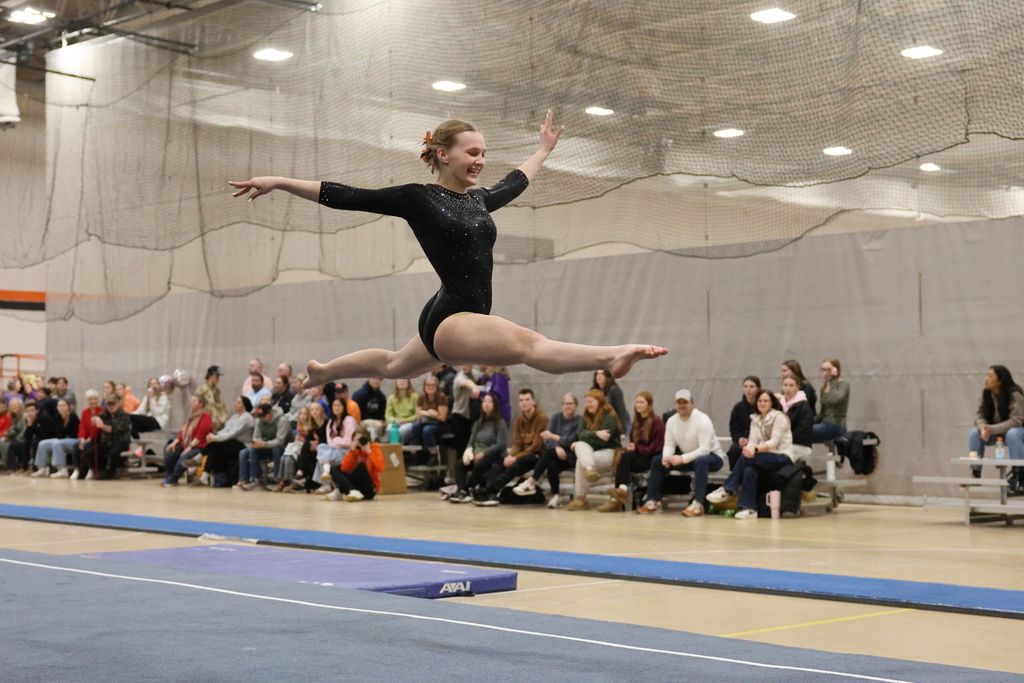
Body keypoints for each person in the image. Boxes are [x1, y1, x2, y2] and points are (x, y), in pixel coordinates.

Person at [230, 113, 666, 389]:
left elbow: (514, 182)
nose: (480, 160)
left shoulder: (477, 200)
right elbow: (346, 195)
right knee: (529, 345)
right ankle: (610, 356)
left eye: (483, 154)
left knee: (396, 365)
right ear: (443, 154)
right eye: (471, 153)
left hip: (448, 310)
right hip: (453, 317)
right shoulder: (417, 197)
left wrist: (542, 150)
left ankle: (324, 371)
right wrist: (280, 181)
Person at [637, 389, 727, 517]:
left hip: (712, 457)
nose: (682, 406)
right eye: (679, 403)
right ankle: (653, 501)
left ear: (692, 404)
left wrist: (682, 458)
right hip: (689, 458)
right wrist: (666, 458)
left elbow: (705, 449)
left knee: (701, 461)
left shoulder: (703, 420)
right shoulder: (672, 421)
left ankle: (698, 503)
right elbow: (669, 444)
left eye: (685, 402)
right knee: (657, 461)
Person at [708, 390, 794, 519]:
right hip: (763, 458)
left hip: (782, 456)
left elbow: (774, 442)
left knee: (746, 459)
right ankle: (749, 508)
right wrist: (749, 449)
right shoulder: (755, 419)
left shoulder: (779, 417)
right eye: (760, 401)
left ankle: (728, 488)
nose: (762, 403)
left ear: (772, 403)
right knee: (749, 469)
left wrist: (755, 450)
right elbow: (752, 441)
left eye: (765, 401)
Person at [472, 389, 548, 506]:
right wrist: (511, 456)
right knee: (500, 464)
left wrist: (515, 458)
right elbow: (517, 443)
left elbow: (535, 446)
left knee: (516, 464)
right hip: (522, 455)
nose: (524, 403)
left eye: (527, 400)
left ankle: (491, 490)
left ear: (533, 402)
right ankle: (490, 490)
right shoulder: (519, 420)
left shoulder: (542, 418)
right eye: (521, 400)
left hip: (538, 455)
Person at [511, 393, 581, 508]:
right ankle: (556, 496)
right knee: (551, 463)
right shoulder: (556, 417)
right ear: (562, 406)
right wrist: (557, 447)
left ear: (576, 406)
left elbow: (572, 440)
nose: (568, 406)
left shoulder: (580, 421)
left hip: (570, 456)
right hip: (556, 454)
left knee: (548, 453)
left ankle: (532, 481)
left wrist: (556, 438)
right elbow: (546, 438)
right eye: (566, 404)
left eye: (571, 404)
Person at [600, 392, 664, 512]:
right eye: (637, 402)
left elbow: (656, 448)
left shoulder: (657, 422)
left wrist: (636, 448)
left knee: (625, 459)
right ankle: (620, 493)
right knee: (623, 458)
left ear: (648, 404)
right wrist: (632, 446)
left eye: (641, 402)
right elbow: (635, 442)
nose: (638, 405)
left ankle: (618, 496)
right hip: (638, 456)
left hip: (652, 458)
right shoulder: (637, 421)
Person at [565, 390, 622, 511]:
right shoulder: (586, 417)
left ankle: (581, 499)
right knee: (580, 444)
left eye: (591, 401)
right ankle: (589, 469)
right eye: (586, 402)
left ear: (600, 402)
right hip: (591, 452)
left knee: (581, 460)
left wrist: (589, 436)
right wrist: (596, 433)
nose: (588, 404)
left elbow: (603, 441)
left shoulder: (609, 417)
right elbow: (580, 434)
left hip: (610, 452)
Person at [449, 394, 509, 503]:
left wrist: (483, 454)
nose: (486, 404)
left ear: (495, 405)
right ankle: (461, 490)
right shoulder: (478, 423)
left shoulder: (500, 422)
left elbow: (501, 444)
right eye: (484, 401)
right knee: (459, 464)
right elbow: (471, 442)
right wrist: (467, 454)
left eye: (489, 402)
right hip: (477, 454)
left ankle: (468, 489)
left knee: (482, 463)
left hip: (493, 455)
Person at [968, 365, 1024, 478]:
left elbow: (1017, 420)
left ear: (999, 381)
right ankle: (975, 472)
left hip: (1018, 432)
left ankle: (1019, 473)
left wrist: (993, 429)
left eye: (990, 376)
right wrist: (983, 427)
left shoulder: (1014, 394)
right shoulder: (987, 394)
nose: (986, 379)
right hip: (997, 432)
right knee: (975, 433)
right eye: (986, 375)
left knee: (1012, 433)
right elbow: (979, 415)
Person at [200, 396, 255, 488]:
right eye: (235, 402)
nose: (235, 404)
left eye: (238, 402)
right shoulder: (234, 417)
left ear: (244, 405)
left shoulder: (246, 417)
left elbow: (232, 433)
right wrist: (215, 436)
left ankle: (199, 459)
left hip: (241, 445)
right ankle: (205, 474)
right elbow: (225, 430)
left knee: (215, 444)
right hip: (231, 443)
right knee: (215, 448)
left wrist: (215, 438)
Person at [161, 394, 214, 487]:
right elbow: (183, 432)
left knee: (183, 458)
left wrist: (190, 447)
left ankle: (173, 478)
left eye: (194, 401)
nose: (191, 403)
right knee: (172, 452)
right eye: (191, 401)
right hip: (186, 443)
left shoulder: (206, 416)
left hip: (199, 446)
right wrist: (175, 442)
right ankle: (170, 476)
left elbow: (201, 434)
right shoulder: (191, 416)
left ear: (200, 404)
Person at [236, 404, 290, 491]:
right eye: (260, 416)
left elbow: (280, 441)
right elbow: (256, 436)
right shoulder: (259, 421)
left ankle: (277, 480)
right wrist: (257, 443)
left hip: (286, 447)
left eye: (264, 416)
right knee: (253, 449)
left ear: (271, 412)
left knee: (276, 449)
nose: (262, 419)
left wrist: (264, 444)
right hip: (268, 445)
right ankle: (256, 479)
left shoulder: (282, 420)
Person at [323, 426, 385, 502]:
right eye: (356, 440)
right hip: (355, 487)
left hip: (369, 487)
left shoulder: (373, 448)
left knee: (361, 466)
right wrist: (351, 452)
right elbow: (344, 468)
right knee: (334, 468)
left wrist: (369, 451)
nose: (358, 442)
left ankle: (340, 491)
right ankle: (352, 491)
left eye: (360, 439)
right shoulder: (354, 451)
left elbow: (381, 468)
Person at [79, 394, 132, 480]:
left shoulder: (123, 415)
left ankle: (111, 472)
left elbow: (113, 429)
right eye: (109, 404)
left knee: (113, 452)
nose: (111, 406)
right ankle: (99, 470)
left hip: (121, 442)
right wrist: (96, 418)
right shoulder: (105, 413)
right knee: (92, 451)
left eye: (113, 404)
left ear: (118, 403)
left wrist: (102, 425)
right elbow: (95, 417)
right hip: (107, 442)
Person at [312, 397, 357, 492]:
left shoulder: (349, 420)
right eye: (334, 405)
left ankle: (327, 480)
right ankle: (327, 470)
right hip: (334, 449)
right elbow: (329, 441)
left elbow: (349, 441)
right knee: (321, 446)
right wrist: (337, 442)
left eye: (339, 405)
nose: (336, 408)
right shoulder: (330, 422)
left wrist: (336, 440)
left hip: (347, 450)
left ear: (344, 407)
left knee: (323, 458)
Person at [32, 398, 79, 478]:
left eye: (64, 405)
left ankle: (62, 469)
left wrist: (62, 438)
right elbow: (59, 433)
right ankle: (42, 468)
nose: (61, 408)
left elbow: (74, 433)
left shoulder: (73, 417)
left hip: (74, 440)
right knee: (42, 443)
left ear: (68, 407)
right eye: (59, 406)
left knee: (57, 443)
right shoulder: (58, 417)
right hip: (63, 440)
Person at [405, 376, 447, 464]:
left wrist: (427, 413)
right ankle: (412, 455)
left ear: (437, 386)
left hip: (439, 424)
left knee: (427, 430)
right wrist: (429, 413)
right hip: (425, 421)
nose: (430, 387)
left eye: (433, 385)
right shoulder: (422, 397)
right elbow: (418, 415)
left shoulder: (441, 397)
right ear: (424, 386)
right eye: (428, 385)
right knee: (415, 425)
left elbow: (442, 417)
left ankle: (433, 455)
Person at [273, 404, 311, 492]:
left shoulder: (310, 427)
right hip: (297, 446)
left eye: (305, 414)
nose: (303, 416)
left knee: (289, 459)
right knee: (284, 457)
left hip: (304, 448)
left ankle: (289, 481)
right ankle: (282, 480)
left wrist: (304, 440)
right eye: (301, 414)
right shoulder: (299, 426)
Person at [293, 401, 328, 492]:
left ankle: (302, 472)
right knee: (307, 447)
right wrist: (312, 443)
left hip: (326, 446)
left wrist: (317, 442)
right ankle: (305, 478)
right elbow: (308, 438)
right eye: (312, 410)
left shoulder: (326, 422)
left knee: (311, 451)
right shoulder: (312, 425)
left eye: (317, 409)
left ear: (321, 411)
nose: (315, 412)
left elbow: (328, 438)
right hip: (315, 448)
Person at [812, 358, 850, 443]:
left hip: (837, 426)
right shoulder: (823, 388)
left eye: (828, 370)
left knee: (803, 433)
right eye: (823, 370)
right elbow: (822, 413)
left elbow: (835, 400)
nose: (825, 373)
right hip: (825, 425)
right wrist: (808, 423)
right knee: (800, 431)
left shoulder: (843, 385)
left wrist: (832, 380)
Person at [68, 391, 103, 480]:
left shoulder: (102, 411)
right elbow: (82, 426)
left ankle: (91, 469)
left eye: (95, 399)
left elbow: (98, 428)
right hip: (86, 438)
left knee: (89, 448)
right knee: (76, 446)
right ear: (87, 401)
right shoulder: (85, 412)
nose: (93, 401)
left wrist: (89, 438)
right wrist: (82, 438)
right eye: (90, 399)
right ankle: (76, 469)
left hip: (98, 438)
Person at [726, 377, 760, 469]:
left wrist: (752, 440)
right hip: (743, 439)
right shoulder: (738, 408)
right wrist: (739, 438)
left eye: (751, 387)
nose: (748, 390)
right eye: (745, 386)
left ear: (758, 389)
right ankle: (736, 477)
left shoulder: (762, 405)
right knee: (734, 450)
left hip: (759, 439)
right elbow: (734, 428)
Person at [780, 376, 814, 460]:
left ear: (797, 387)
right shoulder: (779, 405)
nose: (788, 388)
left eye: (791, 385)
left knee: (775, 456)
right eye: (785, 385)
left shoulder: (804, 407)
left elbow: (802, 432)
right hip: (781, 443)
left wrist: (782, 440)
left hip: (800, 445)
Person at [448, 365, 478, 462]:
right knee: (461, 448)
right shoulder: (459, 377)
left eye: (467, 364)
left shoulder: (476, 374)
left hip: (472, 417)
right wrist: (475, 387)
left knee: (472, 446)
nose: (464, 367)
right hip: (459, 416)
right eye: (462, 364)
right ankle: (461, 473)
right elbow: (466, 382)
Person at [592, 369, 630, 436]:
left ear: (608, 377)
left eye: (602, 374)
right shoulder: (593, 391)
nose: (599, 376)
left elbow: (620, 410)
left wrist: (623, 430)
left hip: (615, 424)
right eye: (597, 374)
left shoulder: (614, 390)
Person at [195, 366, 228, 430]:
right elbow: (197, 408)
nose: (218, 379)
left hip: (218, 424)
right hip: (206, 423)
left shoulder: (217, 391)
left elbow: (221, 407)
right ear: (210, 376)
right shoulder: (201, 390)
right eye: (216, 376)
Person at [385, 378, 418, 442]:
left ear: (408, 383)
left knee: (402, 430)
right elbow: (388, 415)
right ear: (396, 383)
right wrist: (396, 420)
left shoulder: (415, 396)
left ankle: (399, 448)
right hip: (396, 422)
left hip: (409, 422)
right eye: (400, 380)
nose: (402, 382)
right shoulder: (391, 398)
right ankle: (391, 448)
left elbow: (417, 414)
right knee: (389, 429)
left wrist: (407, 420)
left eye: (404, 380)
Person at [2, 398, 29, 473]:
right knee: (4, 442)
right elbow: (13, 429)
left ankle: (11, 467)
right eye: (11, 405)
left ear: (20, 405)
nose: (13, 407)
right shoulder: (14, 417)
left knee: (12, 445)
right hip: (18, 437)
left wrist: (13, 438)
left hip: (25, 437)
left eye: (15, 405)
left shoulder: (24, 416)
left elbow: (24, 430)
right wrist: (7, 435)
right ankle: (8, 465)